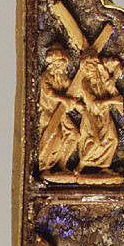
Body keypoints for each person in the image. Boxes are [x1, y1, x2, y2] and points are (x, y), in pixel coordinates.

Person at [76, 50, 123, 171]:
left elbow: (118, 64)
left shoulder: (102, 72)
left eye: (91, 68)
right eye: (86, 70)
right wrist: (112, 101)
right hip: (92, 116)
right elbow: (94, 104)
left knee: (113, 140)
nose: (89, 72)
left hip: (105, 115)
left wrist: (113, 78)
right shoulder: (85, 84)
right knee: (95, 141)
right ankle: (81, 164)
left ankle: (104, 166)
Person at [38, 43, 79, 172]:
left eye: (63, 64)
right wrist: (65, 99)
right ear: (53, 64)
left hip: (61, 113)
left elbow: (72, 89)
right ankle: (44, 165)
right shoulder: (45, 77)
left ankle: (62, 162)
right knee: (55, 136)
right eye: (59, 64)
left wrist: (77, 103)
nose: (62, 67)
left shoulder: (63, 77)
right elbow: (50, 94)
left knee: (74, 135)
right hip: (49, 113)